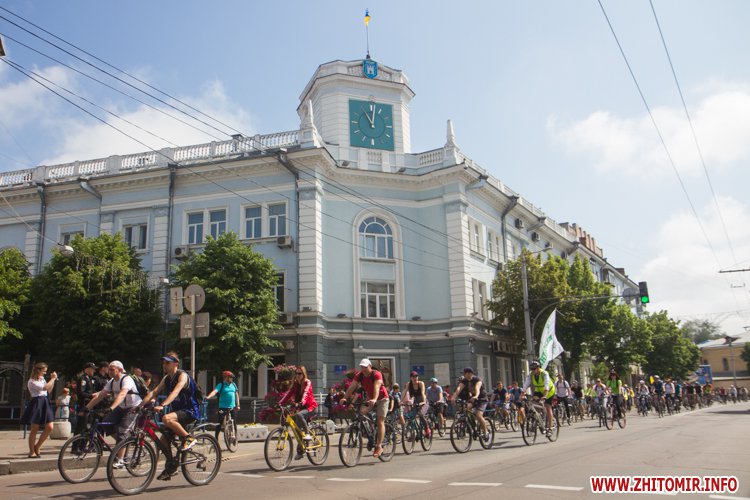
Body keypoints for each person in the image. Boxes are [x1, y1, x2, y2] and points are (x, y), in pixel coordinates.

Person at [141, 352, 200, 481]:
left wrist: (163, 405)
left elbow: (176, 391)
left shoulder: (182, 376)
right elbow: (154, 392)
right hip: (177, 413)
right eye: (163, 363)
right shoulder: (167, 378)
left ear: (175, 364)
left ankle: (188, 438)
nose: (164, 365)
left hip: (189, 411)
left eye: (167, 363)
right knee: (163, 440)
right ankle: (171, 467)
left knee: (166, 418)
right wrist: (139, 406)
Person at [85, 361, 143, 469]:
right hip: (121, 407)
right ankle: (123, 443)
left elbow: (122, 394)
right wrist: (86, 408)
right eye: (109, 369)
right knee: (106, 424)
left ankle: (120, 460)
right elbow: (100, 395)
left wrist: (111, 408)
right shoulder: (111, 381)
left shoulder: (126, 379)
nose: (109, 372)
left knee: (122, 431)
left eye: (112, 369)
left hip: (133, 407)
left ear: (120, 370)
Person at [341, 359, 390, 458]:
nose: (363, 369)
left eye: (365, 367)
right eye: (362, 367)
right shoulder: (359, 375)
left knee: (380, 421)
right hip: (370, 399)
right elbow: (352, 387)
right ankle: (370, 434)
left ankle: (379, 446)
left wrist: (374, 399)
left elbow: (376, 387)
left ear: (370, 366)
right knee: (361, 412)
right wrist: (344, 398)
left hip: (382, 399)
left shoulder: (376, 374)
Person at [277, 365, 317, 459]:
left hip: (310, 407)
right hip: (300, 408)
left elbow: (306, 393)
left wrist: (301, 403)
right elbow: (288, 394)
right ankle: (300, 450)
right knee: (296, 428)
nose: (298, 375)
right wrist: (279, 403)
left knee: (299, 415)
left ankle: (307, 434)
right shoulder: (295, 384)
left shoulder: (307, 382)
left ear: (303, 374)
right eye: (296, 373)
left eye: (300, 373)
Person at [21, 362, 57, 458]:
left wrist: (52, 380)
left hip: (45, 401)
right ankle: (32, 451)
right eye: (44, 371)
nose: (45, 373)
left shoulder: (42, 379)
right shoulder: (31, 381)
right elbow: (44, 388)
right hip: (37, 402)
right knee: (34, 429)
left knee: (50, 427)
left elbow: (49, 390)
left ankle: (37, 446)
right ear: (38, 370)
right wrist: (53, 379)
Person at [452, 367, 490, 440]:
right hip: (473, 399)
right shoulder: (464, 381)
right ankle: (473, 426)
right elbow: (459, 389)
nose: (467, 375)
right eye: (466, 373)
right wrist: (453, 397)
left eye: (469, 373)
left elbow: (477, 388)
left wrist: (476, 396)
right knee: (465, 408)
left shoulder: (477, 380)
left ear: (472, 374)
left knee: (478, 415)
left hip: (482, 399)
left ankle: (486, 432)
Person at [521, 361, 555, 435]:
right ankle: (540, 420)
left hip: (549, 391)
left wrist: (544, 396)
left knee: (548, 407)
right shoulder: (531, 375)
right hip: (539, 390)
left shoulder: (544, 374)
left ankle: (550, 427)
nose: (532, 370)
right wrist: (521, 395)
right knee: (534, 404)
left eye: (534, 369)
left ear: (538, 368)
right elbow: (526, 384)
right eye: (531, 369)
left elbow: (546, 385)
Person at [206, 371, 240, 444]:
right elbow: (215, 391)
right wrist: (208, 397)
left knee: (234, 422)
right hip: (222, 407)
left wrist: (238, 405)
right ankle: (216, 439)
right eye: (230, 377)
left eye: (232, 378)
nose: (232, 379)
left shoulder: (233, 384)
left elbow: (236, 395)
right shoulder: (221, 385)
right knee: (219, 423)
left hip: (232, 407)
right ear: (226, 378)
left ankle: (235, 438)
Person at [403, 371, 430, 438]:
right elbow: (404, 392)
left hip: (423, 401)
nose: (415, 378)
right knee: (411, 416)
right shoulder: (409, 384)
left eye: (416, 376)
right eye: (413, 377)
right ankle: (412, 433)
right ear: (411, 378)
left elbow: (423, 393)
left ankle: (427, 429)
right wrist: (401, 402)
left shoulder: (421, 383)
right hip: (416, 402)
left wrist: (423, 402)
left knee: (421, 415)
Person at [74, 362, 98, 436]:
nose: (94, 371)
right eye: (93, 369)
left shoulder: (90, 379)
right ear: (87, 369)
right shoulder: (83, 378)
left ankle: (84, 443)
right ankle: (76, 443)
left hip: (90, 405)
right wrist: (91, 395)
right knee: (81, 426)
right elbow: (81, 393)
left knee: (88, 427)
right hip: (84, 404)